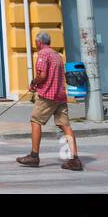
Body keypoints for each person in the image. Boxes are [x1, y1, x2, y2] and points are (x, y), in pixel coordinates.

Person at [18, 32, 82, 171]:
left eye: (35, 41)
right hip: (60, 95)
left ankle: (34, 156)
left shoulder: (43, 54)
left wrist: (33, 83)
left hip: (48, 95)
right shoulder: (57, 55)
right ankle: (75, 158)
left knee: (35, 121)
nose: (35, 44)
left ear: (39, 42)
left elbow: (43, 75)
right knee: (65, 126)